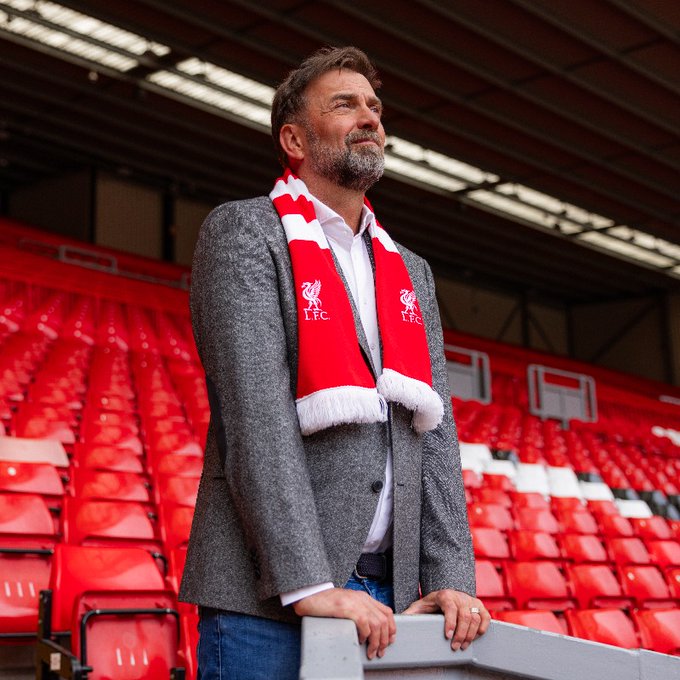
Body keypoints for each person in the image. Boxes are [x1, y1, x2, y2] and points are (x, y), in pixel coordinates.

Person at [180, 45, 489, 680]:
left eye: (374, 107)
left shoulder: (410, 271)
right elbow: (256, 417)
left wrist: (451, 577)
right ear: (294, 139)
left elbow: (434, 435)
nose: (370, 117)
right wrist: (308, 584)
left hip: (388, 599)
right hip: (268, 600)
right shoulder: (245, 232)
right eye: (344, 105)